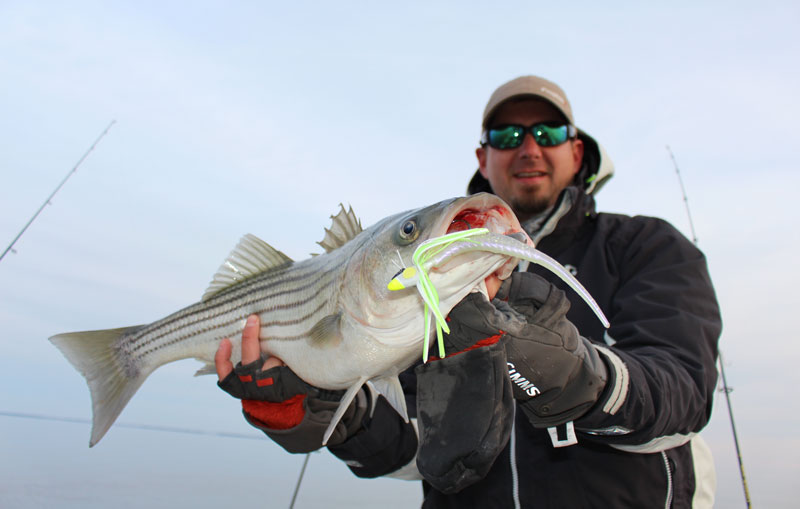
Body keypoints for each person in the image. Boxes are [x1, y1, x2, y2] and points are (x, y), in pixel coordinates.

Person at [215, 76, 722, 508]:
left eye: (548, 131)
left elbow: (684, 393)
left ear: (577, 149)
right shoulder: (429, 284)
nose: (529, 147)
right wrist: (324, 414)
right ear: (483, 157)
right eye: (507, 134)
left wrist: (578, 377)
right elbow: (412, 450)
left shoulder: (645, 246)